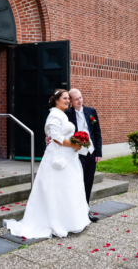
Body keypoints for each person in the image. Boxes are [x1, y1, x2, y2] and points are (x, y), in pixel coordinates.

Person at [3, 89, 90, 239]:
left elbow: (55, 134)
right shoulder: (54, 114)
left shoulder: (61, 114)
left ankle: (69, 221)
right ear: (56, 100)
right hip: (59, 157)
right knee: (56, 189)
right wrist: (74, 145)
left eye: (68, 98)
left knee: (68, 188)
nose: (68, 101)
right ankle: (56, 221)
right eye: (64, 98)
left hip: (68, 157)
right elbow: (56, 137)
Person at [47, 88, 102, 222]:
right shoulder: (66, 113)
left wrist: (98, 152)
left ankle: (86, 211)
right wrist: (48, 135)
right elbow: (56, 128)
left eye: (81, 98)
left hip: (91, 152)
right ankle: (77, 213)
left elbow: (97, 132)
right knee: (78, 184)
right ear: (70, 101)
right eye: (76, 99)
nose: (80, 101)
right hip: (76, 154)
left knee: (88, 183)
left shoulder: (91, 111)